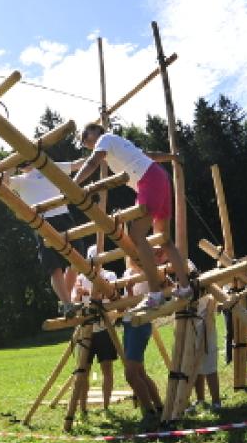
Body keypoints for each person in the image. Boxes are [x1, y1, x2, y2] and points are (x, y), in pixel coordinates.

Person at [74, 124, 193, 311]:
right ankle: (186, 287)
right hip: (158, 177)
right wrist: (171, 157)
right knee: (164, 239)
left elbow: (92, 163)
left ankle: (155, 294)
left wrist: (73, 184)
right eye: (83, 141)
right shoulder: (122, 144)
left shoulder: (104, 139)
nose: (84, 141)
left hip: (148, 180)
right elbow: (150, 155)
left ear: (97, 130)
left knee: (136, 235)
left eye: (85, 135)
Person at [8, 159, 84, 316]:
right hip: (42, 221)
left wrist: (99, 153)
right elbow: (0, 182)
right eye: (21, 162)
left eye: (26, 159)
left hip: (63, 215)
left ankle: (66, 301)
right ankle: (67, 304)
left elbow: (77, 164)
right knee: (53, 266)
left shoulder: (48, 167)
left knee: (77, 259)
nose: (25, 163)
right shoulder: (19, 181)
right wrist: (12, 163)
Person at [70, 245, 118, 413]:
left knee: (107, 369)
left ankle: (106, 406)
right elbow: (75, 300)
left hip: (104, 328)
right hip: (85, 329)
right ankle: (82, 408)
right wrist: (80, 294)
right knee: (83, 370)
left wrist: (91, 295)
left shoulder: (109, 275)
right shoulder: (80, 278)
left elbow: (111, 297)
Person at [120, 255, 164, 429]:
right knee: (139, 372)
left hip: (140, 323)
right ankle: (158, 406)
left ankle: (150, 411)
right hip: (128, 323)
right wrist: (127, 293)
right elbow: (125, 306)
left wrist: (130, 293)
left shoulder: (148, 274)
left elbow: (148, 302)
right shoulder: (127, 272)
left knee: (131, 374)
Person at [188, 294, 221, 414]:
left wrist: (209, 312)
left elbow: (213, 297)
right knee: (195, 366)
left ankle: (216, 402)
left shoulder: (206, 290)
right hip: (191, 326)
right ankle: (200, 399)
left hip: (206, 326)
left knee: (209, 365)